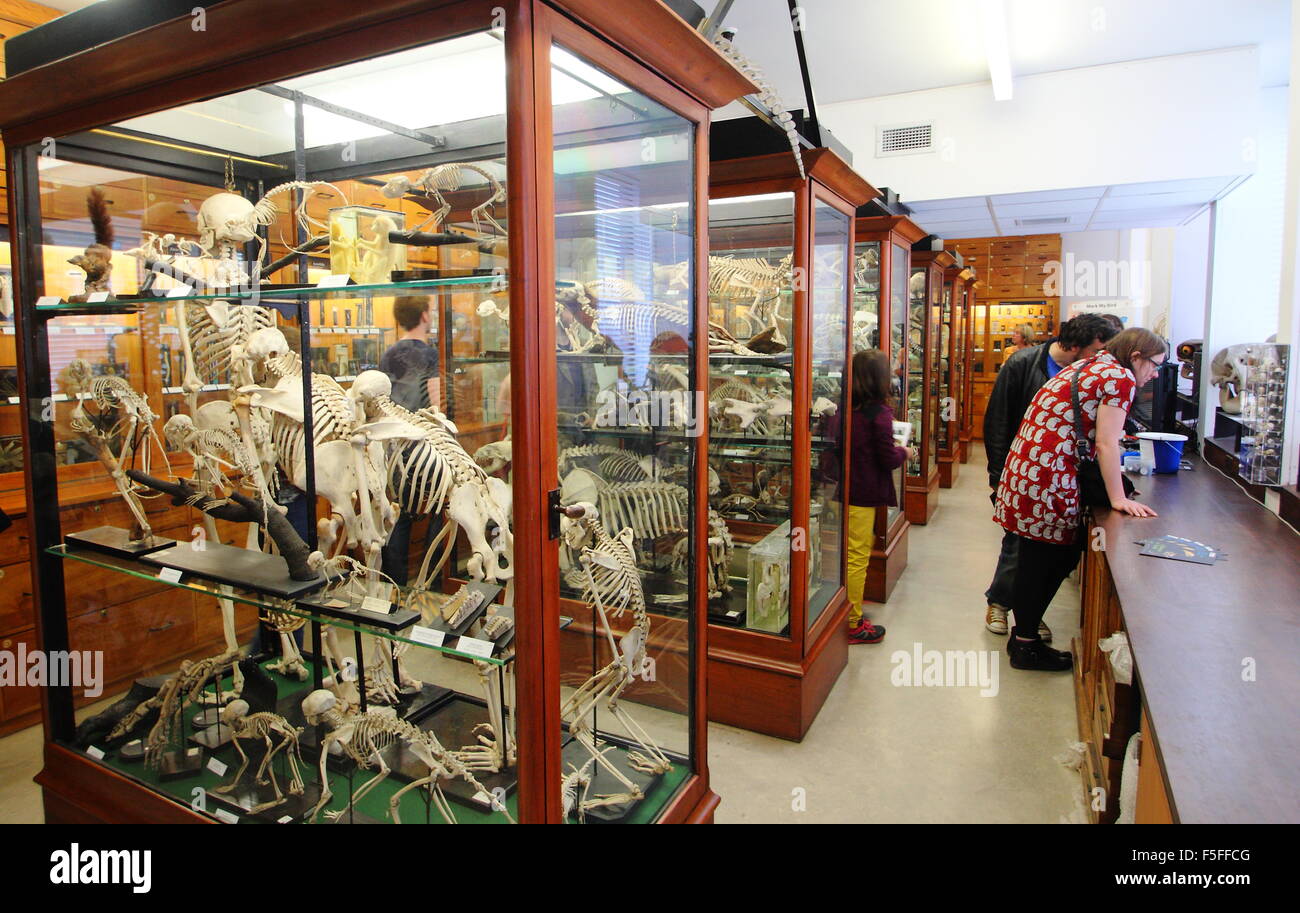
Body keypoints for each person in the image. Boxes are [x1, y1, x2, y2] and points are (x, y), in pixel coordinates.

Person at [995, 328, 1164, 671]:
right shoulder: (1120, 378)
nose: (1156, 372)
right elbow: (1106, 443)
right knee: (1048, 558)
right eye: (1155, 363)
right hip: (1049, 476)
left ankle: (1023, 637)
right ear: (1136, 357)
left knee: (1038, 556)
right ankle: (1026, 645)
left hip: (1029, 470)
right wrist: (1118, 498)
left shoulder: (1093, 364)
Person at [981, 313, 1117, 638]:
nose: (1101, 358)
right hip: (1022, 471)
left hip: (1058, 477)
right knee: (1017, 543)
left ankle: (1028, 613)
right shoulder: (1023, 363)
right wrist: (997, 476)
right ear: (1075, 345)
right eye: (1097, 349)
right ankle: (999, 603)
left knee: (1041, 553)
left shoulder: (1085, 372)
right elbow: (997, 421)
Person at [842, 350, 913, 645]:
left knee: (844, 554)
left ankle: (843, 610)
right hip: (862, 492)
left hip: (840, 490)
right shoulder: (879, 413)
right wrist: (905, 452)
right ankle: (853, 622)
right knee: (857, 556)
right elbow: (888, 458)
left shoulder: (844, 407)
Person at [380, 295, 441, 584]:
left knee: (400, 513)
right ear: (425, 316)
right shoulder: (429, 355)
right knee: (440, 508)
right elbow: (436, 404)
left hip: (395, 445)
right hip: (424, 443)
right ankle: (433, 580)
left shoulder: (389, 352)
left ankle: (395, 586)